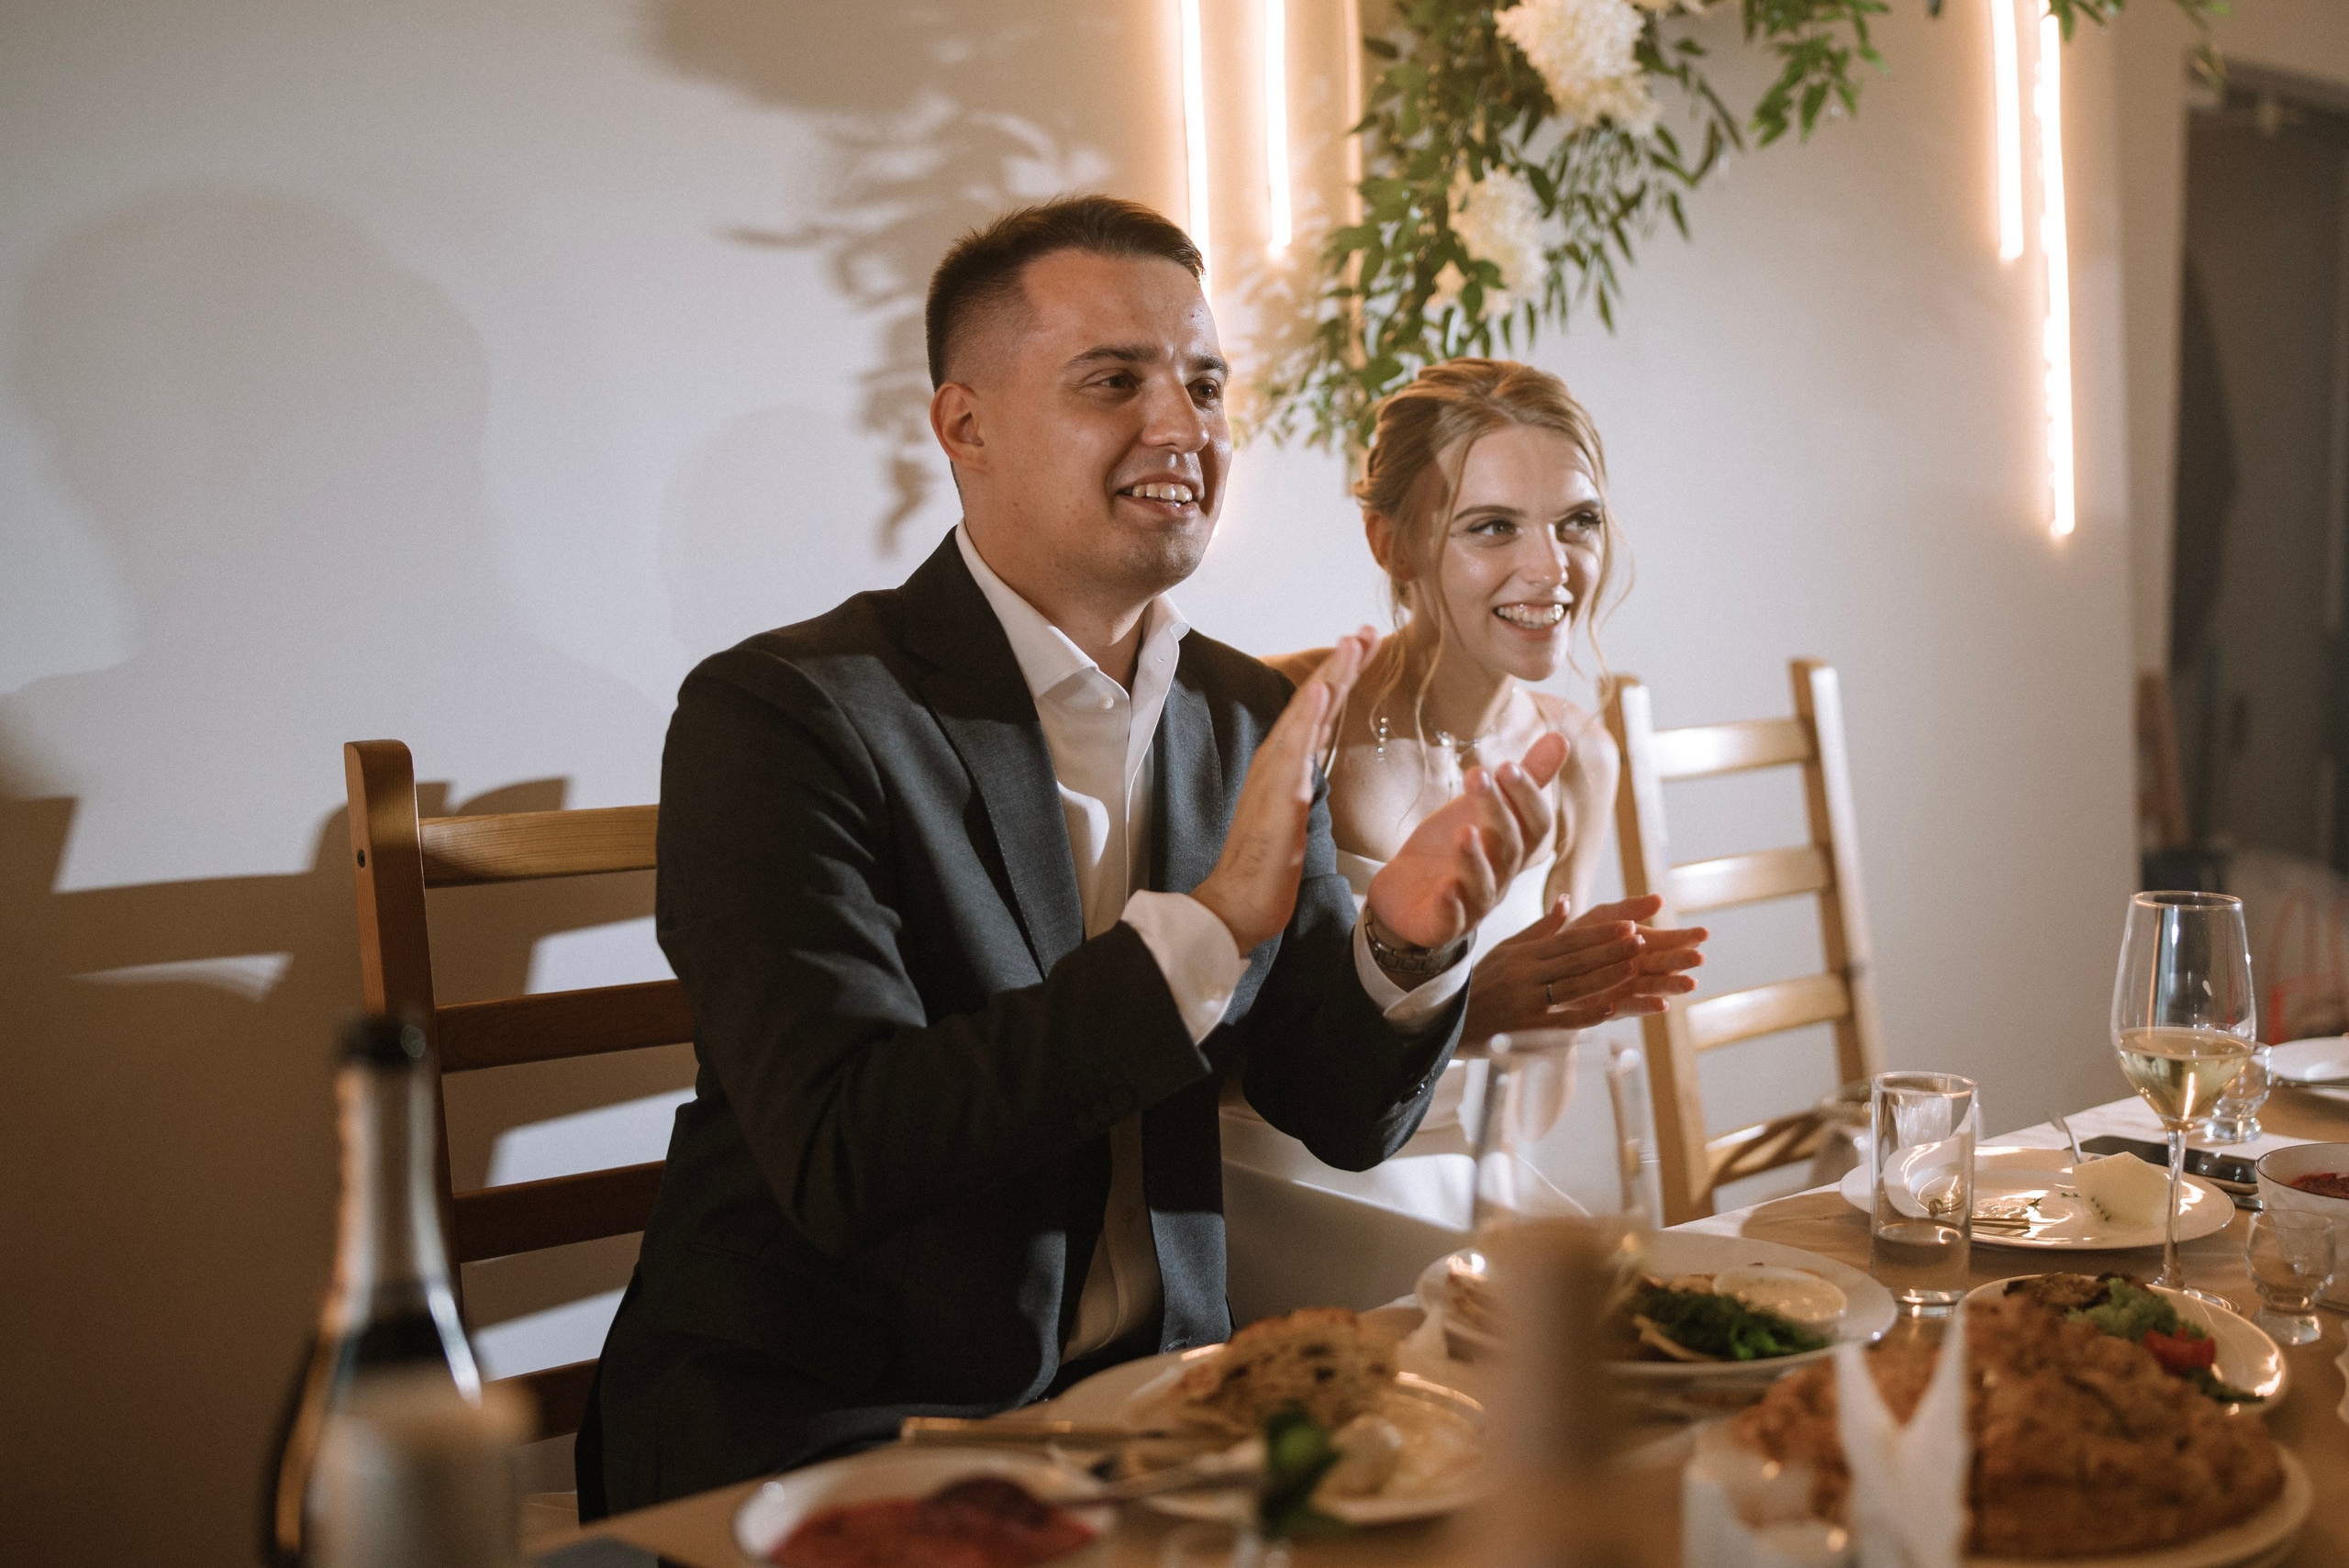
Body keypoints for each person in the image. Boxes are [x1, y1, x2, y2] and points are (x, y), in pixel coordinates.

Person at [579, 200, 1567, 1515]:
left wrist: (1407, 940)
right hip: (834, 1429)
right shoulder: (780, 716)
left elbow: (1339, 1111)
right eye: (1116, 381)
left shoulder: (1245, 715)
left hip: (1164, 1417)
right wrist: (1209, 931)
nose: (1184, 427)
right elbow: (844, 1150)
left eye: (1206, 384)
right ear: (965, 427)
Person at [1220, 361, 1708, 1302]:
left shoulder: (1576, 755)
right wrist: (1464, 1004)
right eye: (1492, 527)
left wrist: (1568, 1007)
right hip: (1274, 1192)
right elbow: (1200, 1063)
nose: (1550, 567)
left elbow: (1528, 1114)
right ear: (1390, 542)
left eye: (1577, 520)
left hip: (1464, 1188)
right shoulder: (1282, 712)